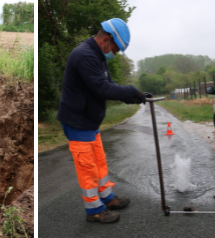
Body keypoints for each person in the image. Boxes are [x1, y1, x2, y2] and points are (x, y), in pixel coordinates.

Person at [57, 18, 150, 223]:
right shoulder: (85, 55)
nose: (114, 54)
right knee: (87, 167)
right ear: (106, 40)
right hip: (77, 121)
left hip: (89, 121)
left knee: (98, 162)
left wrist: (133, 96)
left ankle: (106, 198)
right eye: (115, 49)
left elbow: (107, 85)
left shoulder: (98, 56)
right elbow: (102, 88)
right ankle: (94, 210)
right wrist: (131, 91)